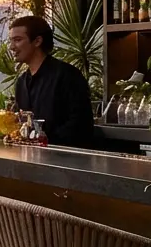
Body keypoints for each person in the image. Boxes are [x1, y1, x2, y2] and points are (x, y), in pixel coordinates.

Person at [8, 15, 95, 148]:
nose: (11, 47)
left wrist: (47, 141)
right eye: (11, 41)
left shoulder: (67, 75)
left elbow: (81, 124)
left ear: (37, 41)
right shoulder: (21, 82)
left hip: (65, 156)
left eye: (17, 40)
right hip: (31, 156)